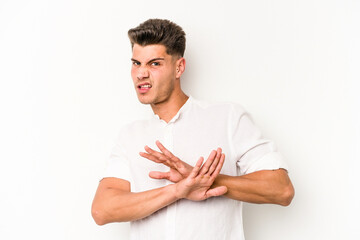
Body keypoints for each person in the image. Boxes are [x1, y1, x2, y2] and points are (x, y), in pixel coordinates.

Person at [91, 18, 294, 240]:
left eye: (154, 63)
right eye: (136, 63)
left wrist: (206, 180)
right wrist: (178, 191)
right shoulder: (130, 135)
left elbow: (281, 189)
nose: (141, 74)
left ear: (179, 67)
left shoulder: (227, 118)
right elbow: (102, 210)